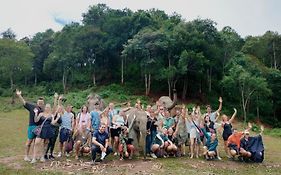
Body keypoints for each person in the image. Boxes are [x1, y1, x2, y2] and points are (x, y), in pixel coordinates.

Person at [15, 89, 44, 162]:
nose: (40, 103)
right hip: (32, 126)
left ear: (43, 103)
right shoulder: (32, 107)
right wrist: (19, 95)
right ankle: (26, 156)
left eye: (42, 102)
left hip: (39, 128)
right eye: (39, 102)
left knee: (36, 143)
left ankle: (35, 156)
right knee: (29, 142)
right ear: (37, 102)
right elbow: (24, 103)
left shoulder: (43, 110)